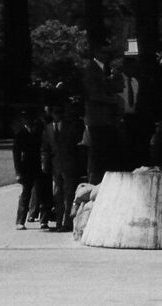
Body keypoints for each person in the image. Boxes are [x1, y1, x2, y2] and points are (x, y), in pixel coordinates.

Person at [82, 44, 123, 184]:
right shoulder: (91, 69)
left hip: (107, 119)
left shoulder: (105, 69)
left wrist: (115, 76)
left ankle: (106, 181)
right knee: (98, 156)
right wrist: (113, 100)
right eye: (103, 51)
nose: (106, 55)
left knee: (108, 155)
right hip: (97, 119)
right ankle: (95, 183)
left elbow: (116, 87)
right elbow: (93, 94)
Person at [41, 103, 83, 232]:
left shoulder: (70, 127)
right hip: (56, 166)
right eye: (55, 113)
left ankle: (67, 222)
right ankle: (59, 222)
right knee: (57, 195)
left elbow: (77, 146)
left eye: (59, 112)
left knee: (69, 195)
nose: (57, 115)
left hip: (70, 165)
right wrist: (45, 165)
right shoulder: (48, 129)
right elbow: (45, 149)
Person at [14, 111, 44, 230]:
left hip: (39, 166)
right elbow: (16, 155)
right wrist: (18, 172)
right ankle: (20, 221)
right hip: (26, 167)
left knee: (42, 193)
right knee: (26, 194)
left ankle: (43, 220)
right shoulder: (20, 134)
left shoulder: (40, 133)